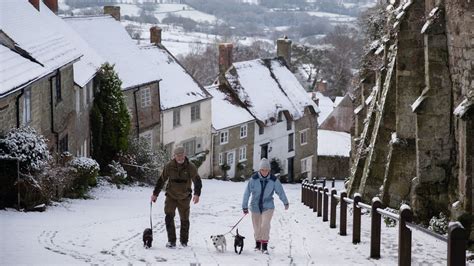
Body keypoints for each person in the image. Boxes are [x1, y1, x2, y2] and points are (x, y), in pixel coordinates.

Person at [151, 146, 202, 248]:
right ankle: (171, 241)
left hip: (184, 197)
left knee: (184, 219)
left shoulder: (190, 167)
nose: (180, 158)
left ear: (185, 155)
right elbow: (161, 180)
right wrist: (155, 194)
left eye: (181, 155)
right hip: (171, 196)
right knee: (169, 217)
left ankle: (184, 241)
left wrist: (197, 194)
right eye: (177, 156)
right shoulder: (169, 166)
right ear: (174, 156)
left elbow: (197, 181)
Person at [242, 158, 289, 254]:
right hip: (255, 206)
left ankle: (264, 246)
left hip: (268, 206)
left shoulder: (273, 180)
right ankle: (258, 244)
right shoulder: (253, 179)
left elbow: (280, 191)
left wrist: (285, 202)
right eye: (262, 170)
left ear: (269, 170)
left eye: (266, 170)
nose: (264, 172)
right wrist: (244, 206)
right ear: (259, 170)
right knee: (257, 227)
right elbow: (247, 193)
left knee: (265, 225)